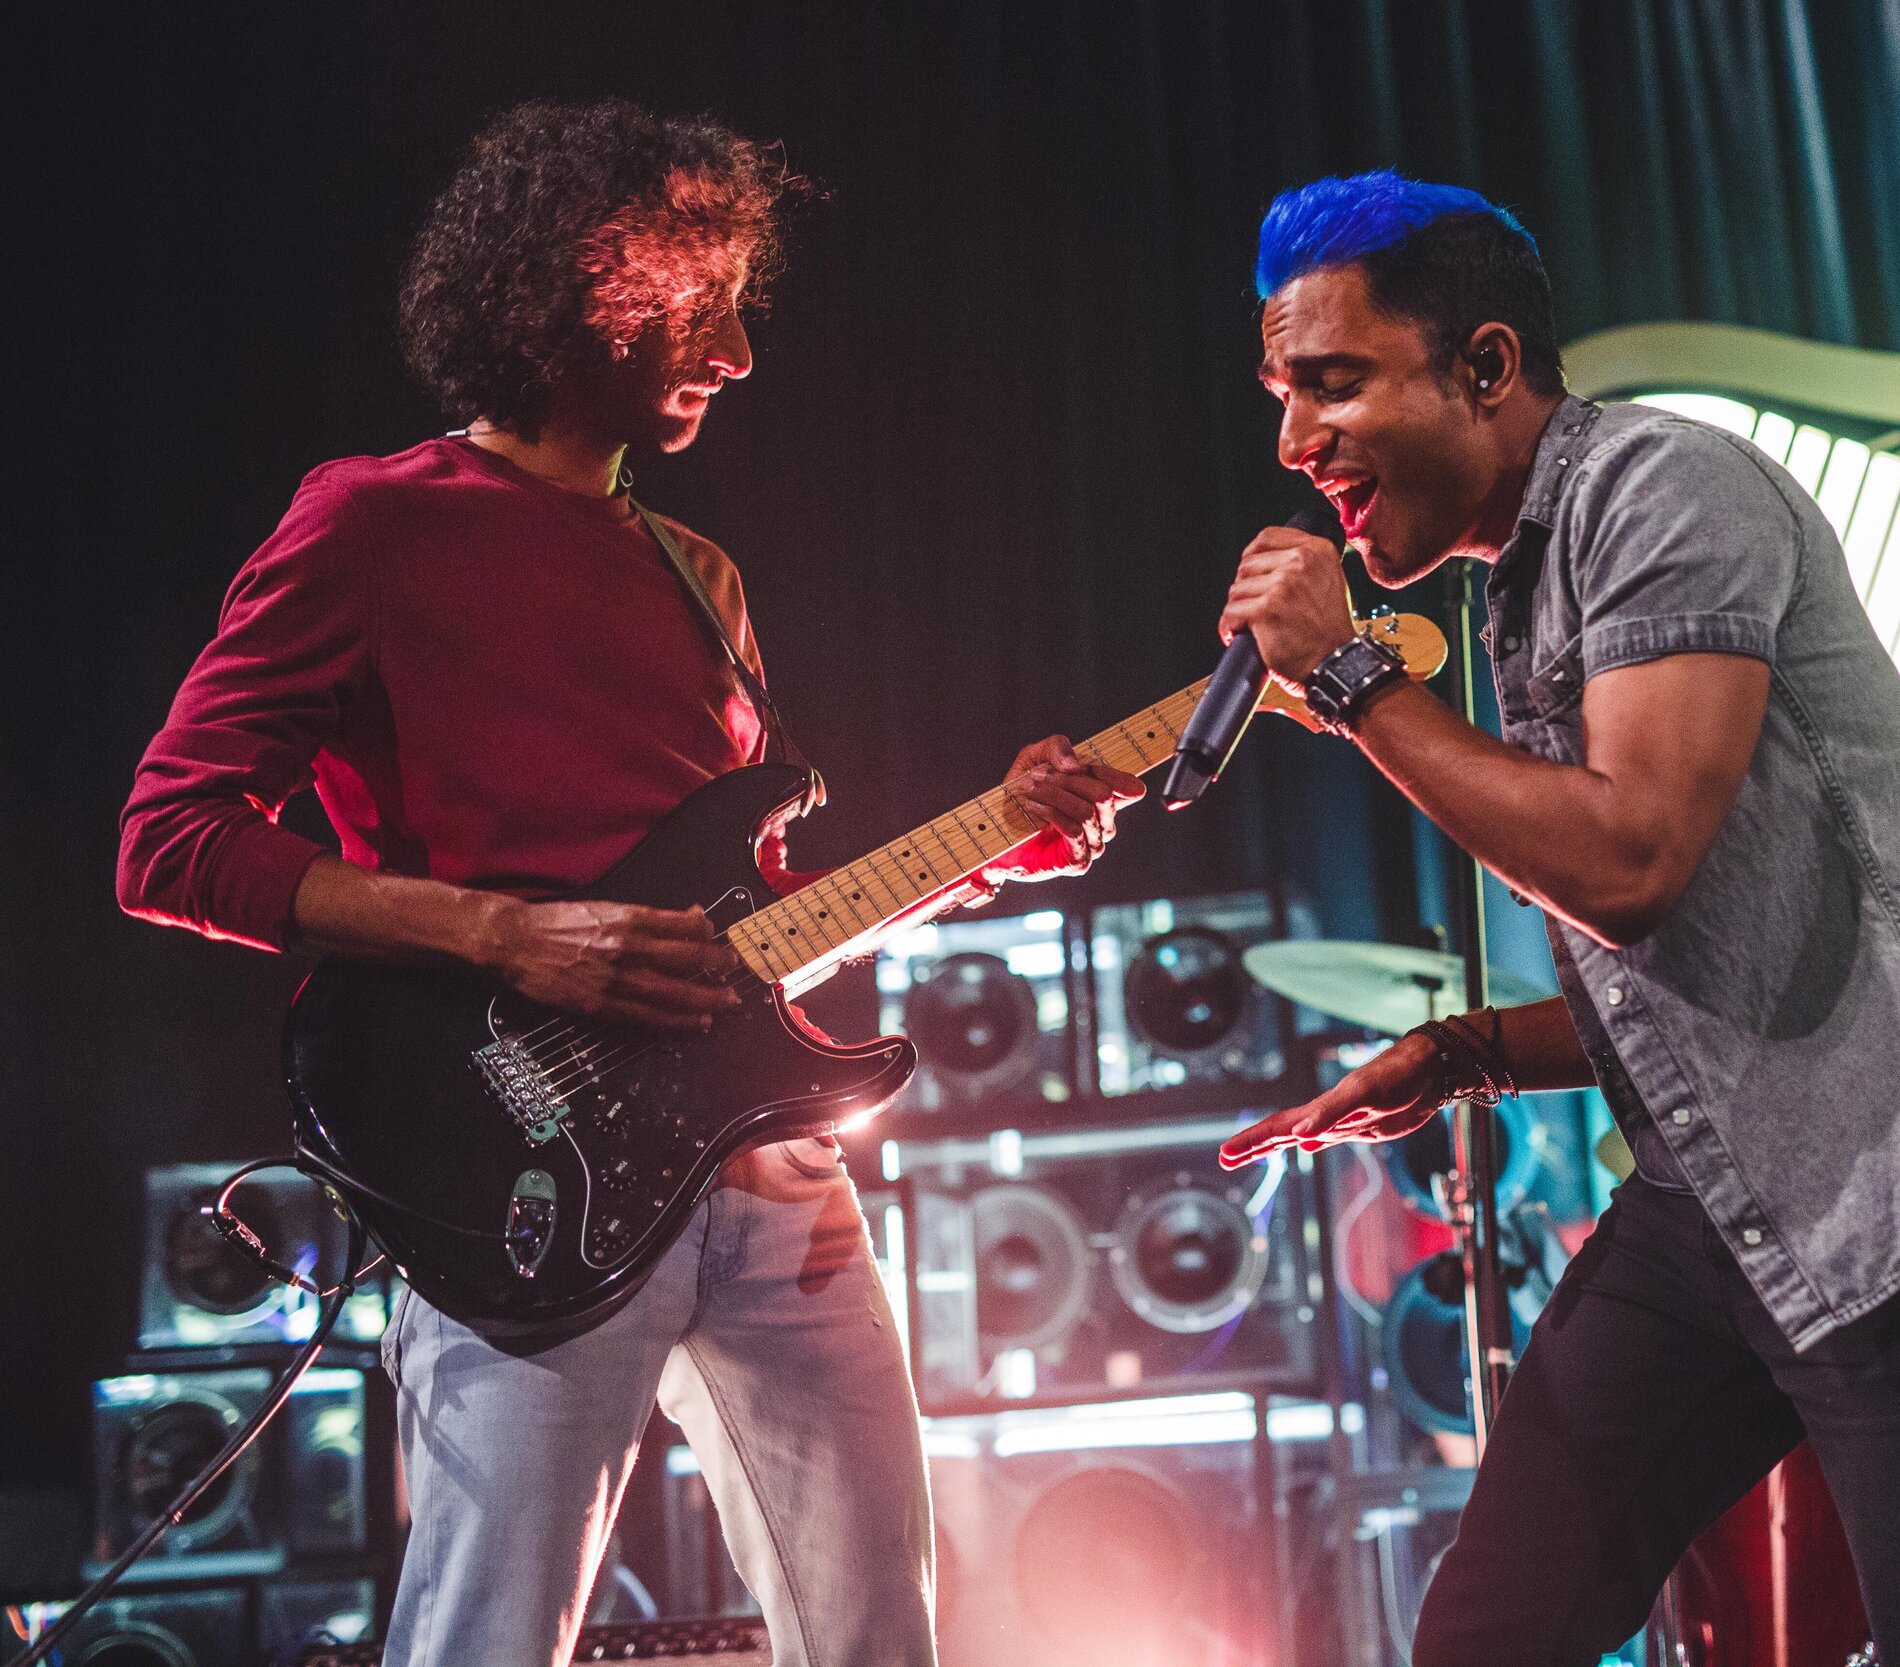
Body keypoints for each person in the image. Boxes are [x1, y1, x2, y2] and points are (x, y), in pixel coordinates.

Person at [116, 100, 1142, 1667]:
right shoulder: (374, 522)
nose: (737, 348)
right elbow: (169, 836)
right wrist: (509, 935)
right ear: (582, 281)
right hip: (510, 1171)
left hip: (772, 1175)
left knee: (878, 1635)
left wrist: (1000, 837)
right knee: (488, 1639)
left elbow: (749, 931)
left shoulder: (703, 576)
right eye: (702, 300)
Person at [1215, 172, 1900, 1667]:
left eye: (1333, 383)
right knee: (1488, 1636)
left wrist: (1353, 679)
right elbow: (1718, 958)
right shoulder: (1523, 581)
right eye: (1281, 396)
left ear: (1486, 366)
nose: (1293, 441)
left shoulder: (1663, 487)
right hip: (1718, 1205)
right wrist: (1468, 1053)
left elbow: (1632, 860)